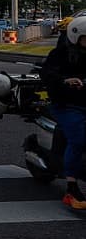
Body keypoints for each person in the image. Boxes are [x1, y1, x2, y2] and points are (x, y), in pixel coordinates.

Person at [39, 15, 86, 209]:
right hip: (68, 105)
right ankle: (72, 188)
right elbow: (48, 74)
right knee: (79, 139)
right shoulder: (60, 54)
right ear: (76, 36)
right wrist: (64, 81)